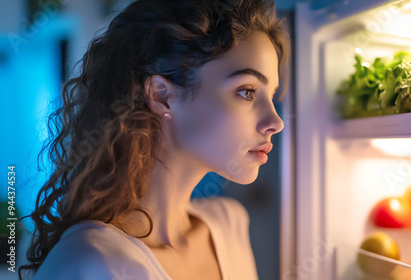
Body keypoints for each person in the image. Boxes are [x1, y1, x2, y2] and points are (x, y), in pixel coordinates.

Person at [17, 0, 290, 279]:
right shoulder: (88, 262)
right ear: (161, 95)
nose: (276, 122)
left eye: (271, 95)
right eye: (247, 92)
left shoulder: (229, 224)